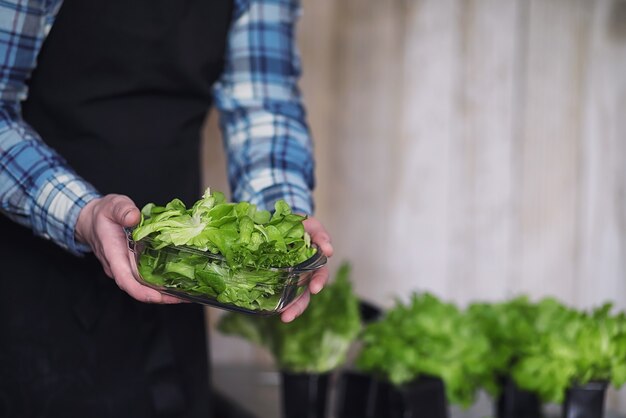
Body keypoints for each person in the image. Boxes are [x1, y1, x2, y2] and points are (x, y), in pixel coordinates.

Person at [0, 0, 332, 416]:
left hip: (181, 269)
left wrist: (282, 225)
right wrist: (82, 214)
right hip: (37, 274)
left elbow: (262, 102)